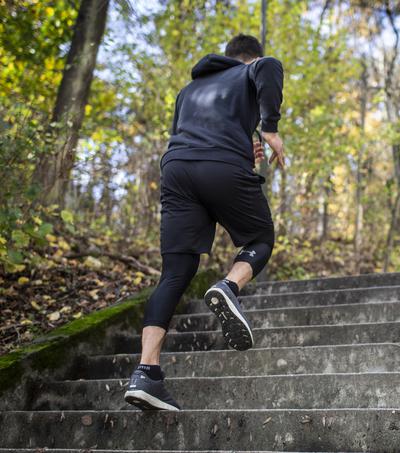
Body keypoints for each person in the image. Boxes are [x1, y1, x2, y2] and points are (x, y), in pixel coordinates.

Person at [123, 34, 284, 411]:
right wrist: (270, 128)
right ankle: (229, 286)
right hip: (220, 166)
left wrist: (247, 148)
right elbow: (270, 67)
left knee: (175, 273)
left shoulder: (188, 91)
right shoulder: (251, 70)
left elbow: (195, 137)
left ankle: (146, 373)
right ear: (248, 59)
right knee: (260, 238)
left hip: (177, 170)